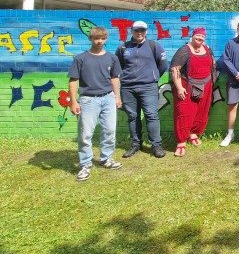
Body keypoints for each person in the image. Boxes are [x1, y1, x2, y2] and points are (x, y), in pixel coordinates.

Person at [69, 26, 123, 181]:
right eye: (96, 38)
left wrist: (117, 97)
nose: (100, 41)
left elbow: (115, 78)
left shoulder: (112, 58)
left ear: (106, 39)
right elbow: (73, 81)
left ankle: (106, 159)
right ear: (90, 39)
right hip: (88, 100)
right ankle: (85, 164)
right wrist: (73, 102)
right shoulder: (81, 58)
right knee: (85, 134)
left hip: (108, 98)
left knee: (110, 131)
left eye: (102, 38)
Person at [116, 20, 167, 159]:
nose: (139, 33)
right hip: (128, 88)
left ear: (146, 31)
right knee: (132, 117)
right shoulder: (123, 48)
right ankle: (136, 144)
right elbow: (118, 66)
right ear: (131, 31)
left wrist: (153, 77)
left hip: (148, 87)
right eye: (137, 30)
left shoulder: (154, 46)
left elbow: (162, 65)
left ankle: (156, 145)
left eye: (142, 30)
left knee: (151, 115)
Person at [169, 28, 216, 157]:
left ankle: (193, 134)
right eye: (197, 37)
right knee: (184, 112)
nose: (200, 39)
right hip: (186, 86)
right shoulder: (184, 50)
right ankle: (181, 142)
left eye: (202, 37)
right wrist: (179, 87)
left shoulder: (207, 49)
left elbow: (213, 65)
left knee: (201, 111)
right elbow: (175, 69)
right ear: (193, 36)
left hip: (205, 85)